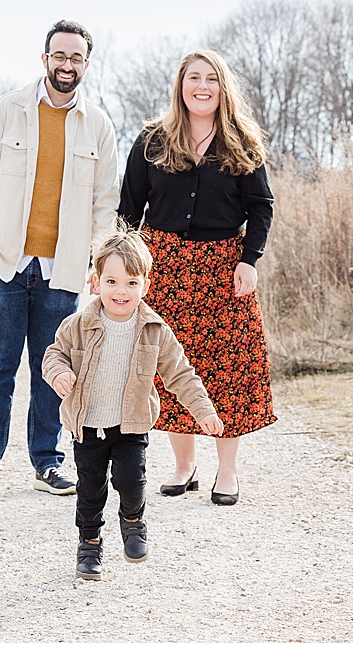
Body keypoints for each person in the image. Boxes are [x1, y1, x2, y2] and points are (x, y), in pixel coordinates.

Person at [0, 19, 120, 497]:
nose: (66, 64)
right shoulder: (7, 110)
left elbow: (104, 203)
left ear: (86, 65)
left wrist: (95, 262)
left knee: (53, 368)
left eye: (76, 58)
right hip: (4, 261)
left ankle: (47, 461)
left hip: (63, 268)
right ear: (44, 58)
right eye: (59, 55)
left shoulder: (99, 125)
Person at [116, 48, 275, 506]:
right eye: (193, 78)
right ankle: (184, 467)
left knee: (231, 368)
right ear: (180, 85)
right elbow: (129, 210)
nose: (201, 87)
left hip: (225, 269)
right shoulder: (152, 141)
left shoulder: (241, 141)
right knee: (167, 368)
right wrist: (117, 267)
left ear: (223, 87)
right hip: (162, 266)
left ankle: (228, 472)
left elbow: (260, 207)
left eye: (211, 79)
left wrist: (250, 259)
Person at [42, 228, 222, 579]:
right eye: (111, 281)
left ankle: (133, 522)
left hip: (131, 425)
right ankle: (90, 544)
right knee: (90, 489)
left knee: (131, 480)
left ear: (145, 286)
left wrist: (203, 410)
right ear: (95, 282)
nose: (120, 291)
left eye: (130, 282)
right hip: (88, 425)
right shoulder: (77, 325)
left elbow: (181, 375)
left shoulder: (155, 330)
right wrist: (59, 373)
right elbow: (54, 355)